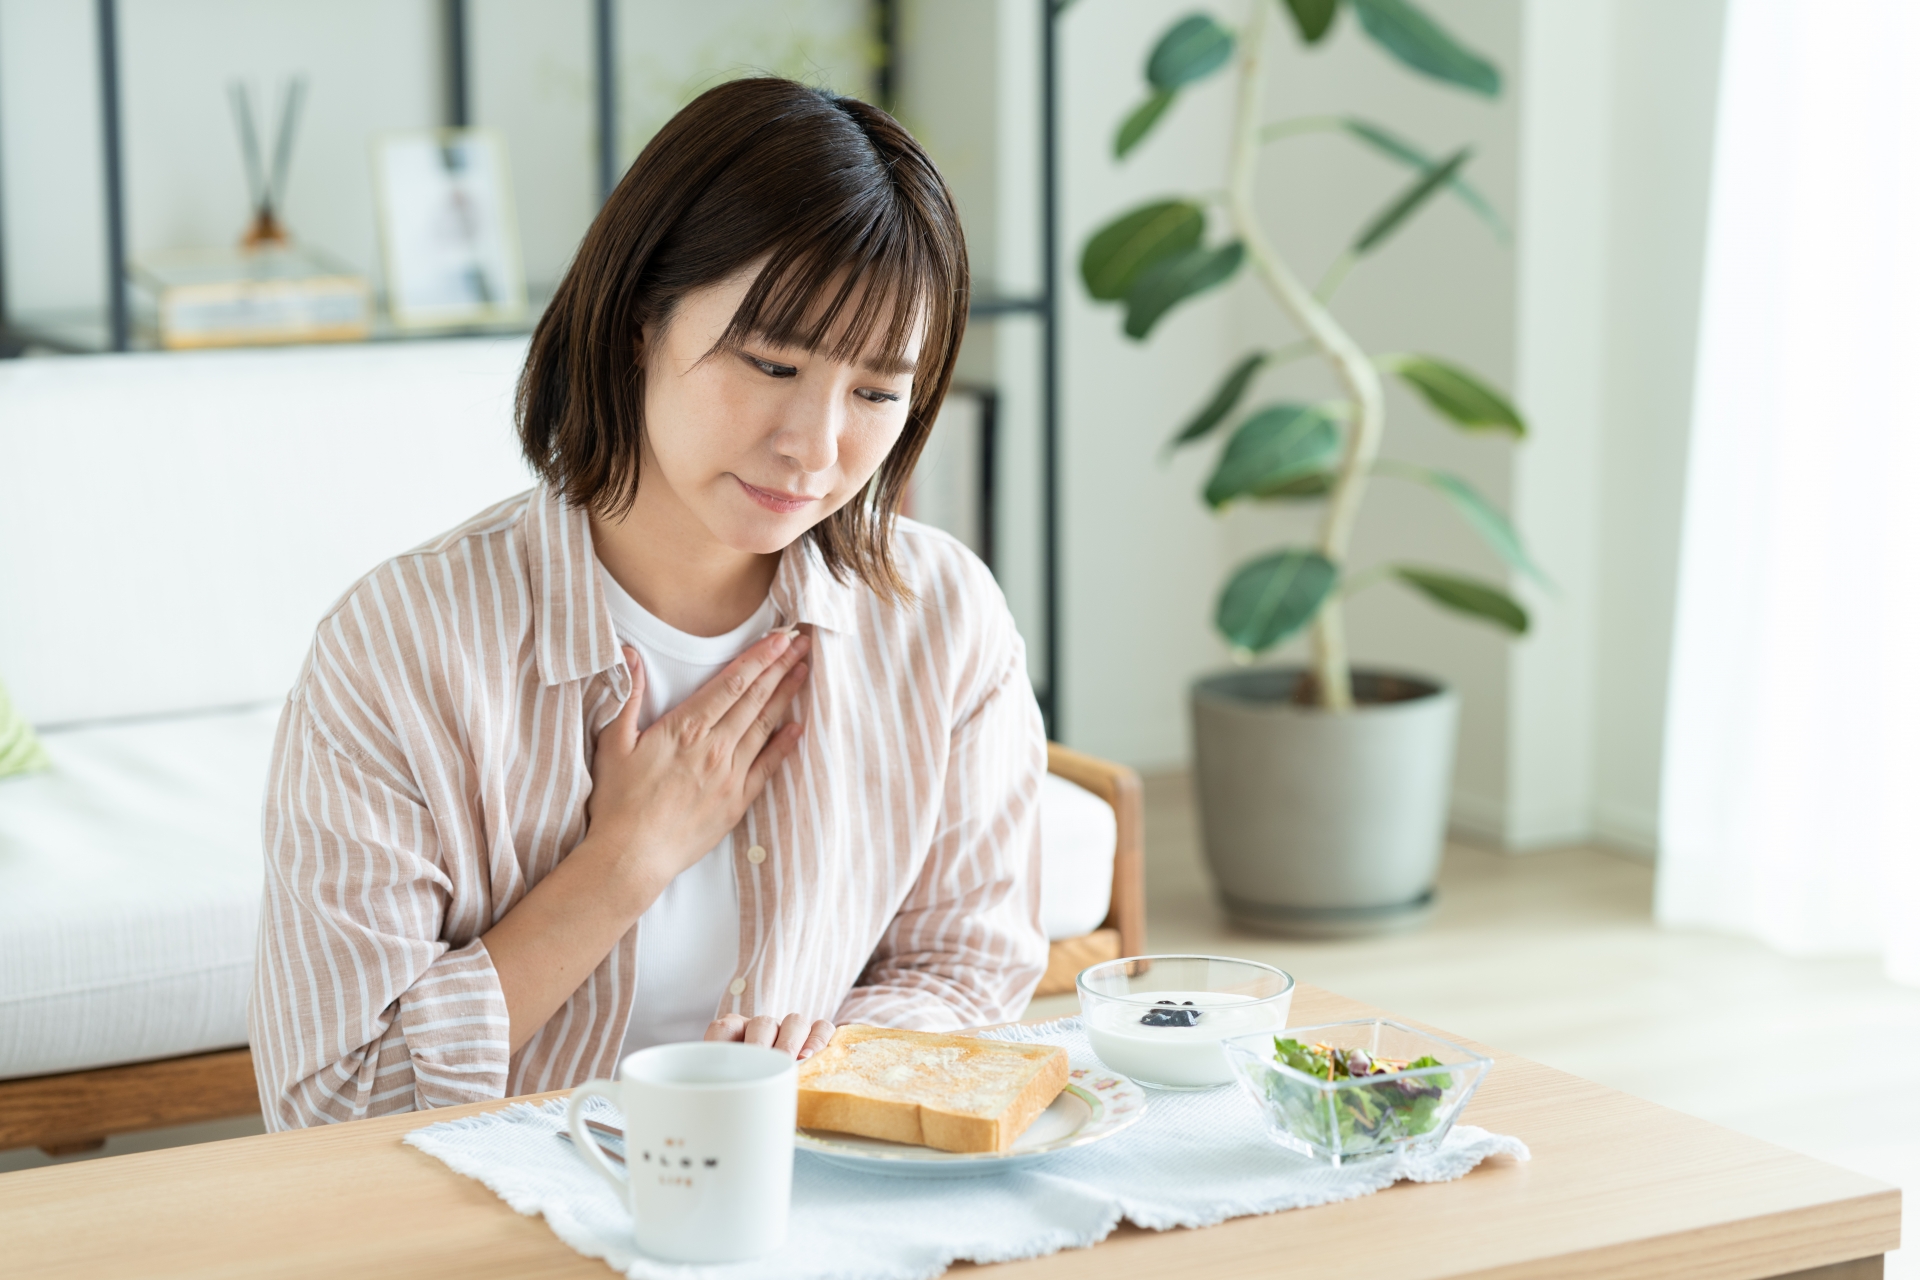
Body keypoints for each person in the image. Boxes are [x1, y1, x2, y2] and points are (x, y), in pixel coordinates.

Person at [247, 77, 1047, 1129]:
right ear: (637, 321)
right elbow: (329, 1105)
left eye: (876, 392)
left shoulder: (940, 617)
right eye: (771, 362)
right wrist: (623, 863)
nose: (815, 446)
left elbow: (969, 966)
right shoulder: (401, 648)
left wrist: (827, 1058)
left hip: (817, 1200)